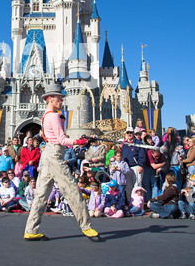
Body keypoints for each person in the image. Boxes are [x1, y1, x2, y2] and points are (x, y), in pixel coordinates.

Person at [23, 83, 101, 242]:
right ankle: (86, 227)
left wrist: (81, 141)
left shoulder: (45, 116)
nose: (61, 100)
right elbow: (61, 139)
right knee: (72, 190)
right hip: (55, 156)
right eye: (59, 98)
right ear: (50, 99)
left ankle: (31, 230)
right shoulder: (54, 116)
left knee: (41, 195)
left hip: (48, 155)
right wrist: (80, 141)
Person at [120, 127, 146, 203]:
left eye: (131, 132)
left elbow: (142, 155)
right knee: (128, 187)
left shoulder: (138, 143)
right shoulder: (124, 144)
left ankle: (138, 203)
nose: (129, 134)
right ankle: (130, 203)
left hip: (136, 166)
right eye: (128, 133)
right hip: (127, 168)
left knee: (137, 186)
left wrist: (141, 165)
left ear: (133, 133)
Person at [142, 136, 166, 202]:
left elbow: (164, 162)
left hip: (154, 170)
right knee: (146, 184)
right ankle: (148, 200)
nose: (157, 158)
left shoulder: (161, 155)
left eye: (158, 156)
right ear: (152, 153)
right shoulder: (149, 153)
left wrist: (160, 166)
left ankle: (154, 200)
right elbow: (154, 166)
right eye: (155, 156)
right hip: (147, 167)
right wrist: (163, 164)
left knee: (154, 184)